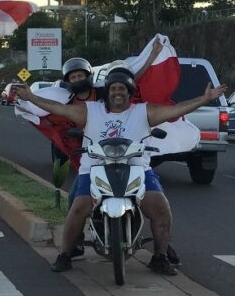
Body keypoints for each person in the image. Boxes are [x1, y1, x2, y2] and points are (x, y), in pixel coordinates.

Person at [15, 68, 228, 276]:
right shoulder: (90, 110)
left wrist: (204, 98)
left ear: (130, 92)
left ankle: (160, 256)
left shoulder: (144, 111)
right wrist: (31, 97)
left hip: (137, 167)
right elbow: (59, 108)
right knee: (79, 208)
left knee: (162, 210)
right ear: (107, 91)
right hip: (95, 167)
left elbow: (176, 110)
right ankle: (65, 254)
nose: (118, 92)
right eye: (113, 88)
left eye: (122, 88)